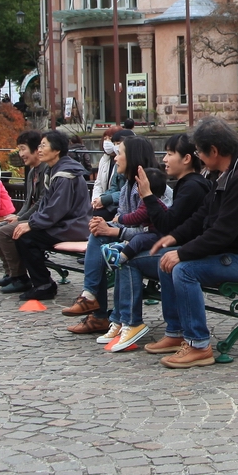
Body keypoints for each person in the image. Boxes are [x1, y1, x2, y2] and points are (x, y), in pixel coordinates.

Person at [147, 118, 238, 368]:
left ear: (214, 151)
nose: (198, 156)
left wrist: (182, 253)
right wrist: (174, 238)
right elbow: (202, 215)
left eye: (199, 151)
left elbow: (222, 234)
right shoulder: (224, 174)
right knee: (166, 261)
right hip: (234, 252)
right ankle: (176, 333)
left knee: (183, 270)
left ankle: (199, 345)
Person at [106, 134, 212, 354]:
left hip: (192, 250)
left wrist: (147, 195)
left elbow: (166, 224)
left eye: (170, 154)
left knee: (129, 260)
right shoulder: (188, 184)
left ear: (186, 159)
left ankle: (133, 323)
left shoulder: (193, 187)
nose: (164, 159)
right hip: (183, 246)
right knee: (134, 254)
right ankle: (123, 320)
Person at [62, 135, 157, 335]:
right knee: (98, 235)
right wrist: (105, 225)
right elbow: (122, 216)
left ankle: (98, 309)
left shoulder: (150, 184)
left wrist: (113, 229)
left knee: (111, 249)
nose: (115, 157)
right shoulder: (127, 185)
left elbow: (149, 230)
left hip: (151, 242)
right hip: (133, 238)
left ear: (133, 157)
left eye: (119, 153)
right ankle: (93, 302)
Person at [8, 130, 91, 302]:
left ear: (56, 150)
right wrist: (29, 221)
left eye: (43, 146)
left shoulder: (65, 175)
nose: (39, 149)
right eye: (39, 146)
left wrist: (31, 224)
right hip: (63, 224)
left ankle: (43, 285)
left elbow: (56, 209)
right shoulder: (54, 170)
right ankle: (38, 282)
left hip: (73, 226)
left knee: (26, 237)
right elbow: (47, 206)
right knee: (22, 234)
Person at [0, 130, 48, 291]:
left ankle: (20, 277)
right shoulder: (32, 172)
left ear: (36, 149)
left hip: (40, 218)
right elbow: (28, 201)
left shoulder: (46, 170)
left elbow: (41, 202)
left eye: (23, 149)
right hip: (31, 216)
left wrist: (20, 218)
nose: (21, 154)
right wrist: (18, 216)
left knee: (4, 232)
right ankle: (10, 273)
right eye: (19, 149)